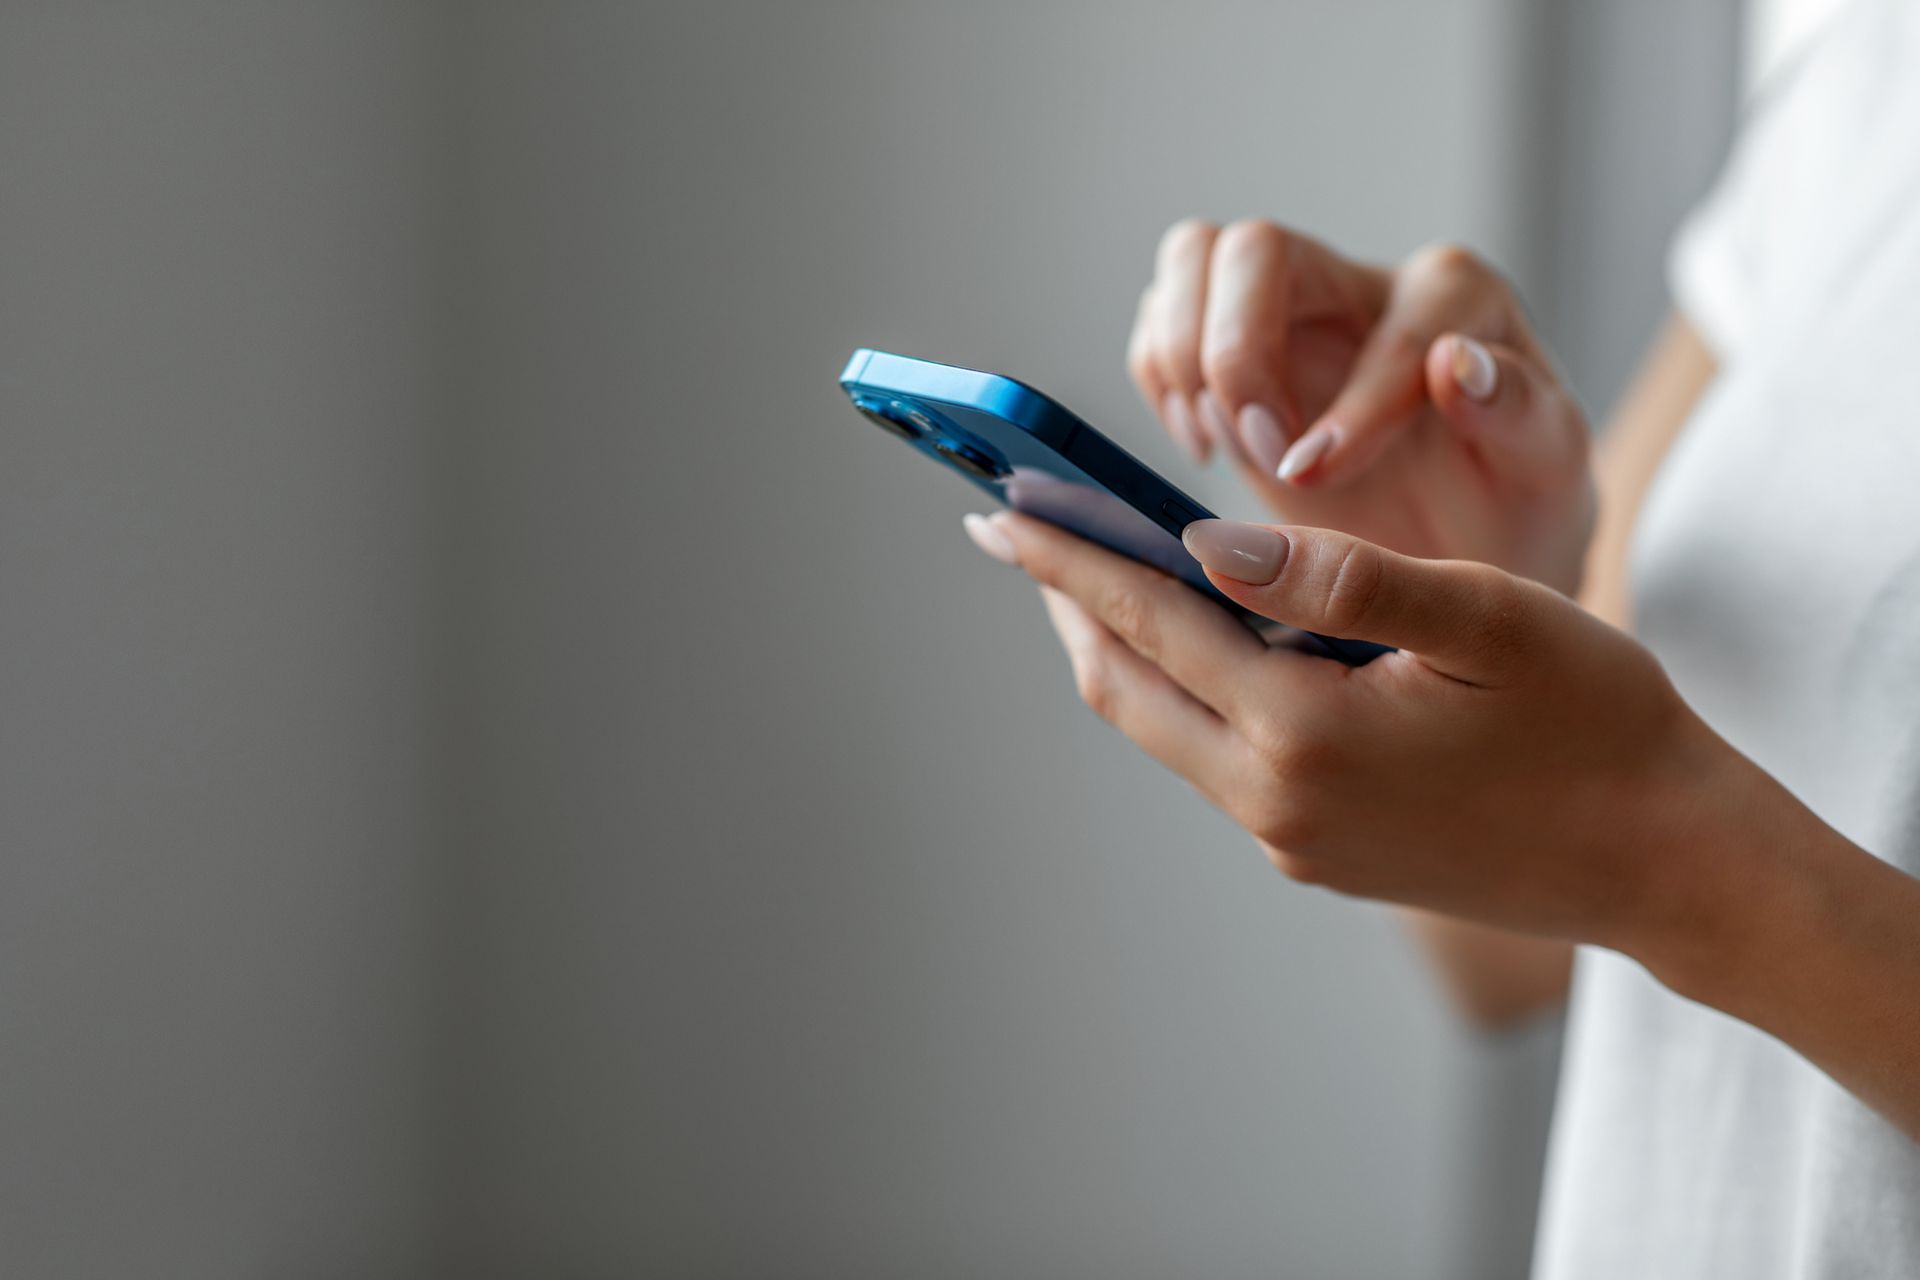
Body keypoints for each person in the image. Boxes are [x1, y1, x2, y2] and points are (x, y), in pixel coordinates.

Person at [960, 1, 1920, 1274]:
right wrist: (1469, 560)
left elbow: (1653, 850)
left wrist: (1672, 864)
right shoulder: (1859, 94)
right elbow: (1515, 955)